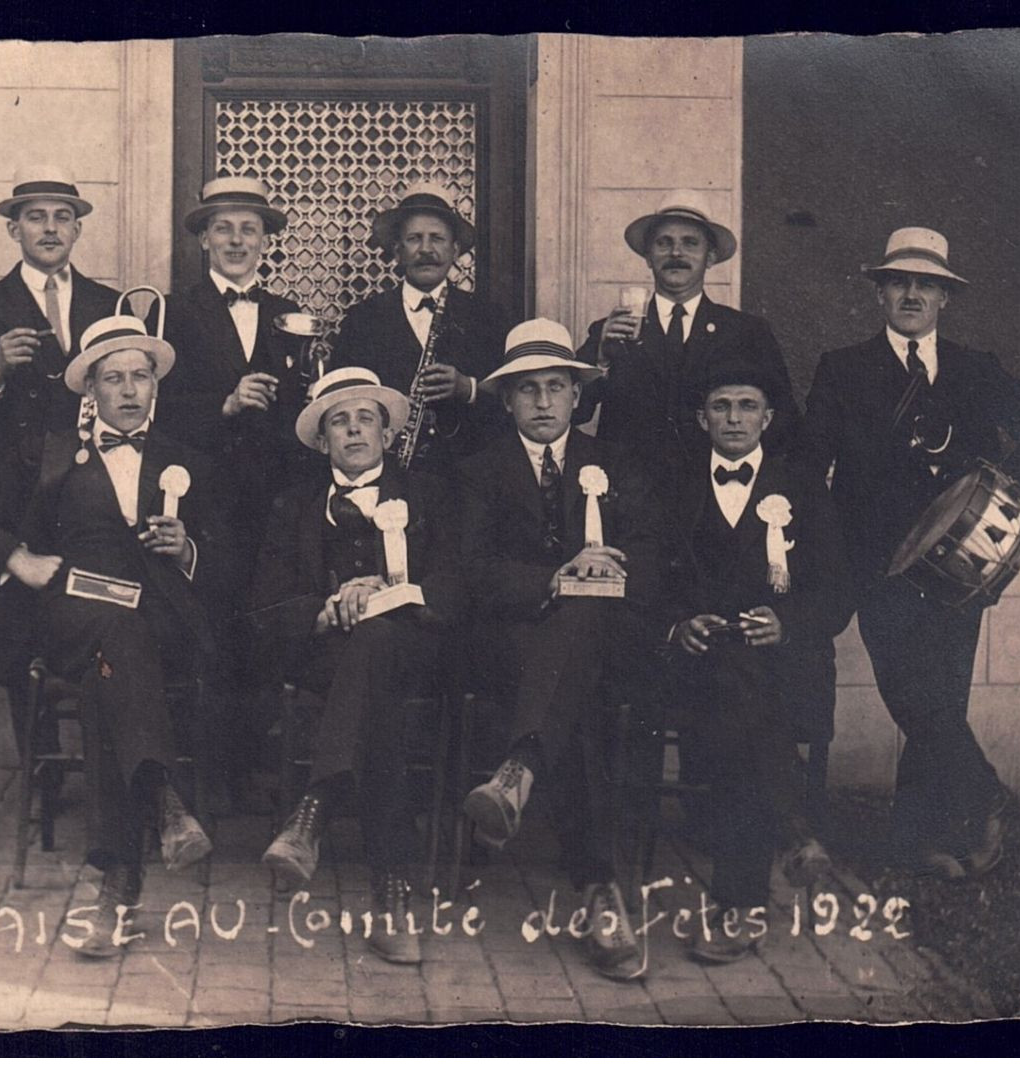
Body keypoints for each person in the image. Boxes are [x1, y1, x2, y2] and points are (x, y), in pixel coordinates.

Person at [793, 227, 1020, 879]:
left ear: (944, 298)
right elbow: (809, 463)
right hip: (879, 565)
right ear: (879, 293)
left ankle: (922, 843)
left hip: (957, 567)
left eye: (926, 285)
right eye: (899, 282)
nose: (911, 294)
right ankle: (983, 794)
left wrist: (989, 495)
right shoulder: (843, 368)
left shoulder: (975, 369)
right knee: (911, 694)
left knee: (940, 697)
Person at [9, 314, 233, 957]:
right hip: (72, 617)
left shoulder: (188, 460)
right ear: (91, 392)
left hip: (155, 626)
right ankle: (162, 804)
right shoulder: (56, 458)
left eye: (141, 377)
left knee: (113, 665)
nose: (130, 390)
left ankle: (120, 879)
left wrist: (188, 548)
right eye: (114, 379)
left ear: (155, 387)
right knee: (113, 637)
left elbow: (231, 557)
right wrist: (19, 557)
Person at [456, 318, 673, 982]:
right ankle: (599, 891)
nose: (544, 402)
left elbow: (657, 559)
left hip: (608, 641)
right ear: (506, 400)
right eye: (528, 390)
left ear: (579, 397)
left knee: (583, 626)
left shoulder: (615, 465)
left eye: (556, 387)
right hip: (509, 643)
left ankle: (519, 769)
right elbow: (467, 571)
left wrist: (605, 566)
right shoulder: (478, 472)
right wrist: (553, 578)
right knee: (573, 688)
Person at [249, 367, 463, 965]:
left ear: (388, 433)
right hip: (327, 656)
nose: (353, 430)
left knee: (377, 647)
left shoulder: (429, 493)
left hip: (415, 650)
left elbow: (455, 585)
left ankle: (315, 810)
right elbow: (264, 603)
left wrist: (387, 593)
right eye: (338, 421)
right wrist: (323, 609)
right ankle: (392, 895)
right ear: (321, 441)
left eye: (365, 418)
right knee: (373, 684)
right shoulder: (293, 504)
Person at [0, 167, 120, 758]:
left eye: (63, 217)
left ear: (78, 230)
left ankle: (101, 767)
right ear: (13, 230)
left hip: (90, 488)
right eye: (36, 217)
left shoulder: (108, 304)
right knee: (20, 625)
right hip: (13, 493)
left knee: (96, 616)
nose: (50, 228)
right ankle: (39, 766)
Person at [667, 366, 853, 964]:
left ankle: (736, 907)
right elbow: (647, 577)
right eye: (721, 405)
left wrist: (787, 623)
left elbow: (835, 592)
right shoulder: (673, 484)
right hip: (694, 666)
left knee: (743, 708)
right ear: (702, 419)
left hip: (780, 666)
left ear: (768, 418)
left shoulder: (800, 486)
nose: (734, 418)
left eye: (748, 406)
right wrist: (678, 624)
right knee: (736, 697)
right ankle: (794, 835)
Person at [154, 176, 303, 808]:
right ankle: (210, 783)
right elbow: (150, 410)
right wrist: (225, 401)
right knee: (207, 634)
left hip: (271, 503)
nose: (237, 239)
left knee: (264, 630)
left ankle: (256, 773)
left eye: (249, 228)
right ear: (203, 241)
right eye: (224, 228)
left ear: (266, 241)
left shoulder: (286, 312)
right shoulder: (171, 311)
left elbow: (300, 408)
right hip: (203, 503)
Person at [575, 191, 797, 491]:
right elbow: (575, 411)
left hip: (714, 498)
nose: (676, 253)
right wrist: (600, 359)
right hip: (630, 499)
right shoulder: (611, 331)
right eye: (663, 243)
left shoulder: (746, 331)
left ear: (711, 257)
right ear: (648, 257)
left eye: (690, 243)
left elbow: (784, 420)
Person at [329, 183, 509, 472]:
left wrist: (469, 388)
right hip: (390, 475)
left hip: (469, 476)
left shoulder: (487, 316)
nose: (426, 249)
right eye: (414, 239)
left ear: (455, 250)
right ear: (398, 251)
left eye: (437, 238)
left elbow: (512, 395)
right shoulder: (362, 319)